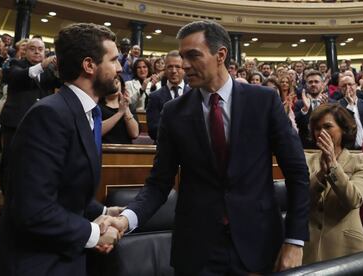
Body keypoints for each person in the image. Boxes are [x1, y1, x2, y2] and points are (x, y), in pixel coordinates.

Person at [103, 20, 310, 275]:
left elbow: (298, 173)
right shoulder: (173, 111)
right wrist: (126, 219)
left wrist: (295, 240)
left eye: (193, 56)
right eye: (181, 56)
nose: (184, 65)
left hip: (259, 244)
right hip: (197, 251)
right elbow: (158, 183)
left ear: (220, 55)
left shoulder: (264, 101)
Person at [0, 23, 124, 276]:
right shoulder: (50, 114)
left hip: (61, 258)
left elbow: (64, 187)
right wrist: (96, 233)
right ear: (89, 65)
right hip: (33, 263)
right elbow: (33, 209)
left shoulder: (85, 113)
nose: (120, 68)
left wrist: (102, 211)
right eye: (113, 60)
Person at [303, 103, 363, 264]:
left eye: (328, 126)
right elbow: (302, 200)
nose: (321, 132)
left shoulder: (361, 161)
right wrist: (321, 174)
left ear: (343, 129)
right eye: (317, 128)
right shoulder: (306, 160)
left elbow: (353, 200)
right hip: (307, 247)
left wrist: (332, 165)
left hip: (347, 250)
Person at [0, 38, 61, 194]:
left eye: (41, 49)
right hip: (15, 124)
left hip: (40, 126)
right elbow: (19, 77)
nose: (37, 51)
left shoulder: (49, 72)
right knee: (11, 163)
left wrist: (61, 68)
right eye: (32, 48)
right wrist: (42, 65)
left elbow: (61, 83)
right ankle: (8, 198)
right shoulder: (15, 64)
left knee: (34, 163)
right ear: (24, 51)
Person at [146, 50, 189, 141]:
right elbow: (153, 131)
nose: (173, 71)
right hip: (165, 150)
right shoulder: (155, 97)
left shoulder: (195, 94)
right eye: (170, 67)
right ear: (164, 69)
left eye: (178, 67)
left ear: (184, 69)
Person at [100, 76, 139, 144]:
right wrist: (120, 113)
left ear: (121, 85)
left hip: (125, 151)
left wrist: (126, 108)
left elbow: (134, 134)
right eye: (110, 83)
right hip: (104, 150)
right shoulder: (97, 106)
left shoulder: (128, 106)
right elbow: (97, 131)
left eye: (116, 82)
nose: (114, 86)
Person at [338, 76, 363, 149]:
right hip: (350, 149)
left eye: (350, 84)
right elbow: (345, 126)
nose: (347, 87)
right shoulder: (337, 106)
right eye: (344, 86)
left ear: (356, 86)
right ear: (340, 89)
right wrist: (350, 105)